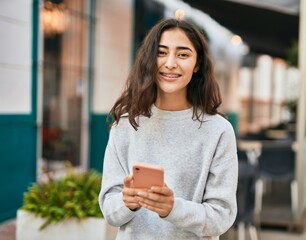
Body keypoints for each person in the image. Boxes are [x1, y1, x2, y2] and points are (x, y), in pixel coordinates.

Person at [98, 18, 238, 240]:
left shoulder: (218, 131)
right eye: (161, 53)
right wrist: (127, 201)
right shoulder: (125, 125)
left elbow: (221, 217)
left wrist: (172, 208)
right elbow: (110, 210)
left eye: (183, 54)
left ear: (197, 64)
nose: (170, 63)